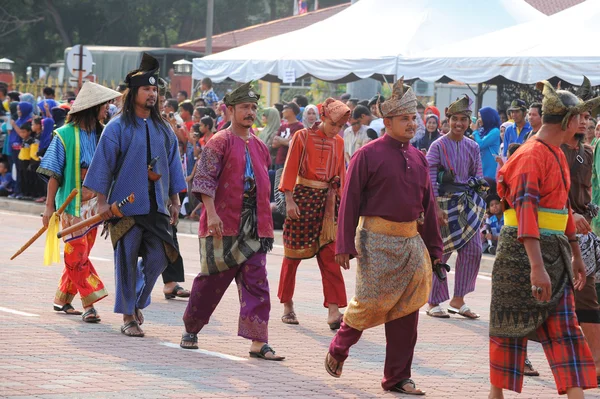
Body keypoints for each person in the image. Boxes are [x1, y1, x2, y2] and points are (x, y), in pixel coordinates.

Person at [326, 79, 443, 396]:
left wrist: (436, 252)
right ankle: (339, 347)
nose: (412, 123)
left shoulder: (419, 158)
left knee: (408, 311)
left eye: (414, 118)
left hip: (411, 243)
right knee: (370, 303)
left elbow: (429, 210)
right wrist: (344, 244)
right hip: (374, 241)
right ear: (387, 121)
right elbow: (349, 201)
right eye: (405, 118)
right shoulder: (367, 155)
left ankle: (397, 377)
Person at [488, 80, 598, 399]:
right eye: (578, 116)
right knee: (508, 328)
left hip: (556, 252)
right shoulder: (531, 156)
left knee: (564, 329)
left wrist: (576, 253)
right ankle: (495, 395)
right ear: (565, 121)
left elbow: (561, 209)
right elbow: (525, 212)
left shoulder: (557, 154)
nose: (584, 121)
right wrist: (537, 267)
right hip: (520, 254)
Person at [84, 54, 187, 337]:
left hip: (155, 206)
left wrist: (175, 200)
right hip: (124, 207)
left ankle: (138, 300)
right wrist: (103, 203)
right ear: (133, 94)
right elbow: (102, 165)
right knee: (126, 261)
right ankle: (128, 315)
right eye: (147, 89)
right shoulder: (117, 127)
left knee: (160, 257)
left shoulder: (163, 129)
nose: (153, 94)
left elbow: (173, 165)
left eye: (155, 90)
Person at [180, 82, 284, 361]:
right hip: (222, 224)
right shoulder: (219, 141)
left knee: (257, 284)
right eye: (244, 108)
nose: (250, 112)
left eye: (253, 107)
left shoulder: (261, 147)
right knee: (210, 283)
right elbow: (203, 180)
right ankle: (191, 327)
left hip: (255, 228)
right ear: (231, 110)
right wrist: (211, 213)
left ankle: (258, 341)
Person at [37, 82, 120, 321]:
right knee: (77, 254)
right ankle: (90, 303)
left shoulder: (104, 133)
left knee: (80, 255)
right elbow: (53, 173)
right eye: (104, 106)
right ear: (92, 107)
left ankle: (62, 299)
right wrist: (49, 207)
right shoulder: (63, 135)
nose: (107, 110)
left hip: (95, 204)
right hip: (71, 204)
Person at [277, 98, 350, 329]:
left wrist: (343, 203)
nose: (336, 130)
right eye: (333, 124)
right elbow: (289, 168)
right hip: (301, 200)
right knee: (292, 257)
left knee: (330, 257)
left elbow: (341, 173)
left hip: (327, 205)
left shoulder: (339, 142)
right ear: (323, 118)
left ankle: (334, 310)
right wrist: (288, 199)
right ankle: (287, 305)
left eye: (340, 126)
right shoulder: (302, 136)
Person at [425, 95, 486, 319]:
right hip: (443, 204)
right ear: (447, 120)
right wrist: (435, 208)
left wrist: (479, 200)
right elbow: (430, 177)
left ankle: (458, 299)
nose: (458, 123)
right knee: (442, 253)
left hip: (468, 204)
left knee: (474, 251)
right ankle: (433, 301)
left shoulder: (473, 146)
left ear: (469, 122)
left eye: (463, 119)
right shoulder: (437, 145)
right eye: (454, 119)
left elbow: (478, 176)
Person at [560, 77, 600, 383]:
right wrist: (569, 213)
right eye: (582, 116)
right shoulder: (554, 149)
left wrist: (583, 212)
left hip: (583, 237)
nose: (587, 121)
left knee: (586, 296)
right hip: (553, 233)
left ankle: (596, 363)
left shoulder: (586, 151)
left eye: (590, 117)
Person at [272, 102, 303, 170]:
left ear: (291, 110)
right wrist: (285, 141)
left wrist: (279, 139)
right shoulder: (283, 126)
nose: (282, 112)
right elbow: (274, 144)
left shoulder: (299, 126)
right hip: (279, 161)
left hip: (289, 162)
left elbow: (292, 143)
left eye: (285, 109)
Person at [473, 107, 501, 179]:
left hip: (490, 171)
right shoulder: (482, 130)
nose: (478, 120)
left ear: (487, 118)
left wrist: (475, 131)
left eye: (480, 117)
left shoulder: (495, 131)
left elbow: (481, 144)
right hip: (481, 168)